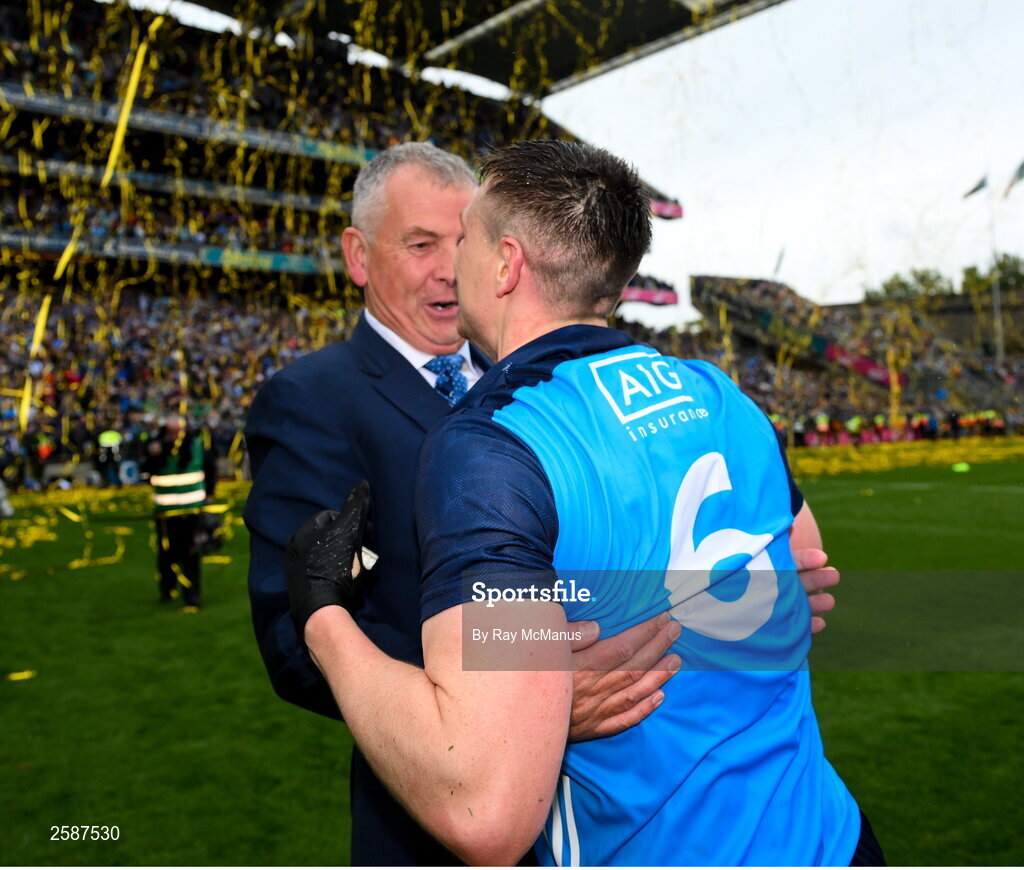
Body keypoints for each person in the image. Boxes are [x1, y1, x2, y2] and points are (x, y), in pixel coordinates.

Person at [292, 141, 878, 866]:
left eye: (467, 235)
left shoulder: (493, 444)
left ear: (506, 265)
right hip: (829, 838)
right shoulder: (718, 391)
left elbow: (486, 809)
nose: (453, 262)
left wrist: (324, 615)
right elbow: (803, 568)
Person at [244, 142, 697, 866]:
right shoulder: (311, 401)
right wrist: (523, 701)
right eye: (421, 244)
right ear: (358, 257)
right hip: (435, 828)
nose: (449, 268)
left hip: (621, 806)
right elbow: (298, 627)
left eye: (463, 242)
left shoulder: (556, 378)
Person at [141, 413, 207, 611]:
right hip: (166, 512)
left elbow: (208, 467)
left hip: (191, 510)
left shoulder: (195, 444)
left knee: (190, 554)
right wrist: (154, 456)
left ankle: (192, 595)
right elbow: (145, 473)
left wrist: (209, 493)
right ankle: (168, 590)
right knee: (167, 554)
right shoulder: (156, 445)